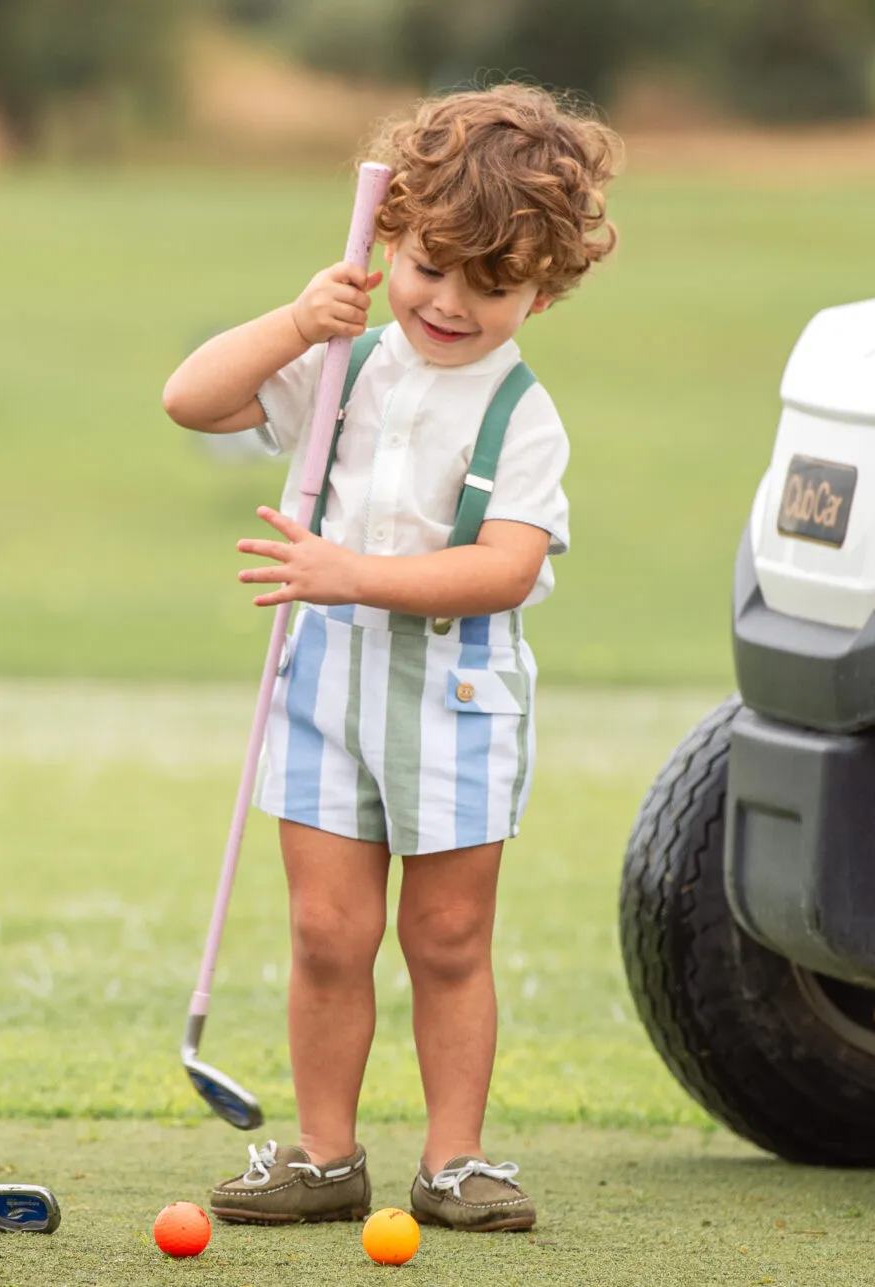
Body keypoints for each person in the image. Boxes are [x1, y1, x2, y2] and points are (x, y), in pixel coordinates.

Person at [160, 83, 621, 1234]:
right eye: (428, 266)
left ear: (543, 289)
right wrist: (295, 321)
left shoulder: (523, 415)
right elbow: (191, 400)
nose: (450, 303)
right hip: (322, 689)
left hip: (455, 700)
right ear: (389, 237)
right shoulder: (343, 364)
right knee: (328, 933)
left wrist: (350, 571)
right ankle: (325, 1156)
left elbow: (504, 569)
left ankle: (455, 1161)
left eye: (492, 284)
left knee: (447, 938)